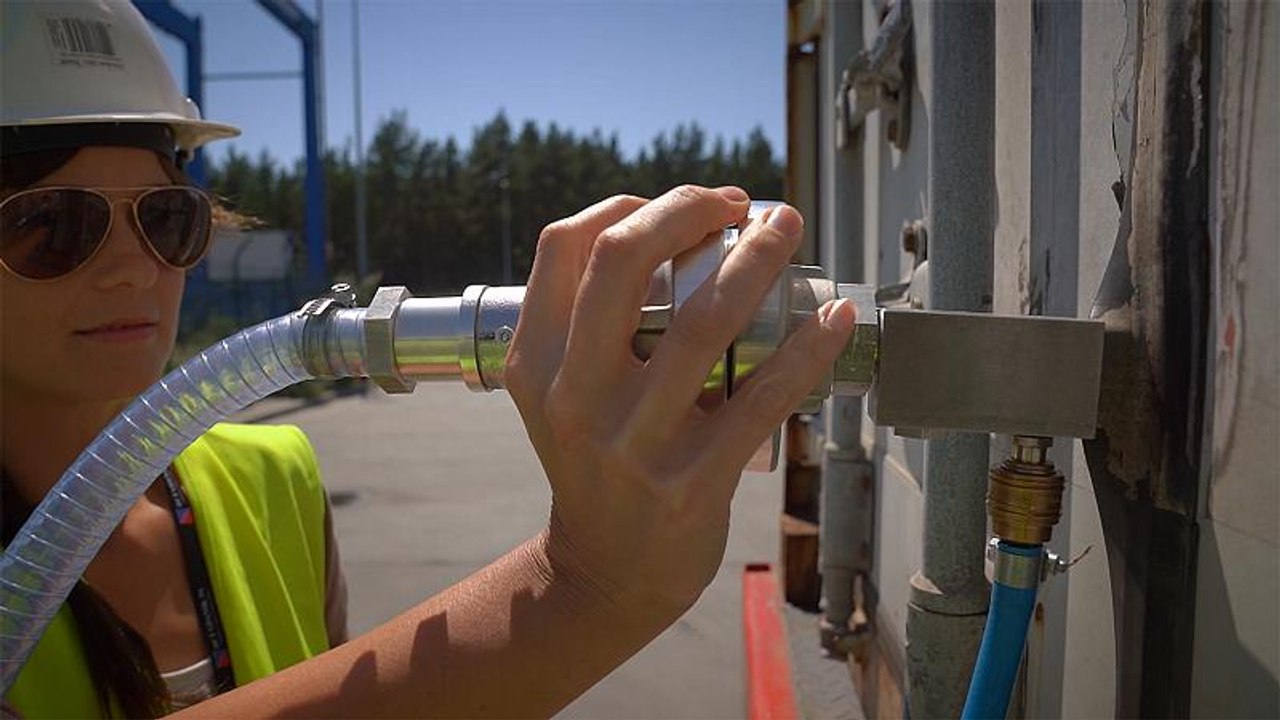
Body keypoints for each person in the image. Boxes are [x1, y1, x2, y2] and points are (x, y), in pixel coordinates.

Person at [0, 0, 855, 717]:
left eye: (166, 218)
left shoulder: (274, 475)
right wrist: (587, 585)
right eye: (50, 224)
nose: (129, 268)